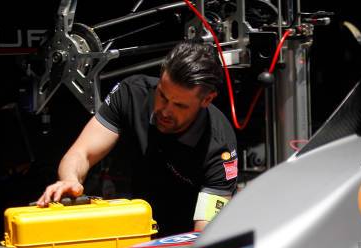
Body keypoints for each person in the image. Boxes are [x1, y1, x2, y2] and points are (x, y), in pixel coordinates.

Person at [38, 41, 238, 236]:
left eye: (180, 106)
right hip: (134, 227)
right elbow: (82, 152)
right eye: (162, 96)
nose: (165, 111)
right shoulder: (131, 94)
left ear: (207, 99)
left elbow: (205, 236)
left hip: (181, 241)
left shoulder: (220, 147)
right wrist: (70, 180)